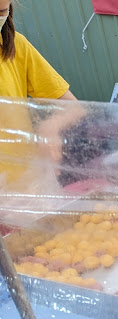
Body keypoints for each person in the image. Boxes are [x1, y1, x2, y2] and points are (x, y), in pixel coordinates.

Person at [0, 0, 79, 191]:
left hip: (25, 182)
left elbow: (73, 106)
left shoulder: (16, 47)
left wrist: (51, 126)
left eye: (1, 10)